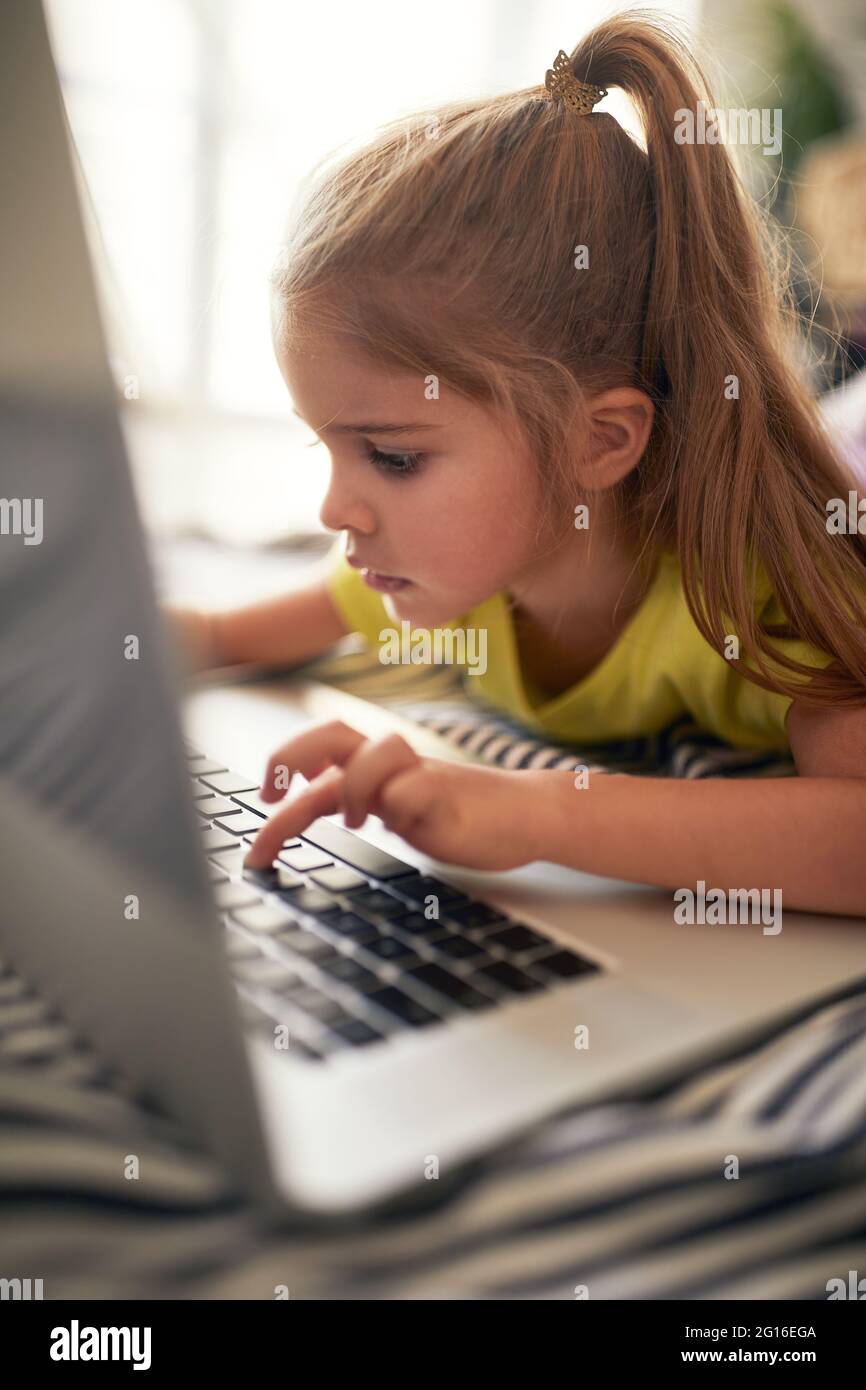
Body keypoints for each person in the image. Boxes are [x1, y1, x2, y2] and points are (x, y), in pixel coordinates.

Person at [169, 13, 866, 915]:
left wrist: (540, 812)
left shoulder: (760, 601)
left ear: (600, 442)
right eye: (327, 445)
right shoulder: (439, 566)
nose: (337, 510)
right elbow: (220, 636)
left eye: (392, 456)